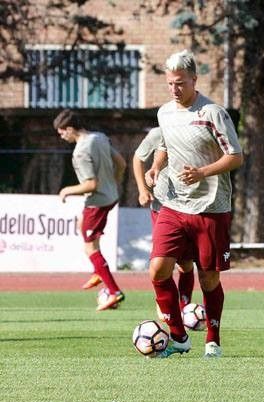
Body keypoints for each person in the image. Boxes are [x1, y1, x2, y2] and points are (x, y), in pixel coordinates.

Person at [145, 50, 243, 359]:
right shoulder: (164, 113)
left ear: (194, 80)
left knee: (208, 278)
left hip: (211, 207)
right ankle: (178, 336)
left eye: (180, 83)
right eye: (170, 83)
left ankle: (212, 339)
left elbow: (236, 156)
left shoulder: (213, 113)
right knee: (158, 270)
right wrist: (156, 167)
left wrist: (202, 172)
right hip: (174, 204)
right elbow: (164, 147)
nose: (174, 89)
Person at [53, 109, 127, 311]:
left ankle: (114, 292)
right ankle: (98, 271)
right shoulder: (99, 137)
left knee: (90, 248)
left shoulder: (80, 152)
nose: (61, 136)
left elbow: (91, 184)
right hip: (110, 197)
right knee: (82, 225)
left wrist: (66, 190)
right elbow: (121, 163)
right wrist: (114, 183)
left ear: (70, 129)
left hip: (97, 202)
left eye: (62, 132)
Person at [132, 127, 196, 313]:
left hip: (188, 207)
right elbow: (138, 158)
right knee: (161, 262)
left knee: (185, 263)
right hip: (161, 207)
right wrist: (142, 190)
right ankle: (165, 305)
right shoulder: (158, 133)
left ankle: (184, 308)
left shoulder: (195, 131)